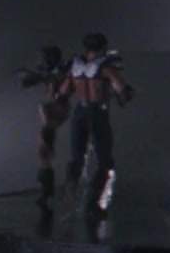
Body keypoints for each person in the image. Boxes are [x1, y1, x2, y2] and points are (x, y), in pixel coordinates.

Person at [53, 33, 135, 225]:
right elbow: (122, 92)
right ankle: (92, 206)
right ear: (103, 47)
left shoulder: (75, 68)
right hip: (98, 113)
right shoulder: (106, 68)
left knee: (76, 158)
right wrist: (125, 95)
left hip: (80, 113)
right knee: (105, 161)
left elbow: (63, 93)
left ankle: (69, 200)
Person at [16, 46, 70, 211]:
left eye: (45, 58)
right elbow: (26, 83)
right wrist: (30, 78)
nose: (42, 61)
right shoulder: (51, 73)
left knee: (45, 148)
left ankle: (47, 191)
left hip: (57, 108)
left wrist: (37, 76)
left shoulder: (60, 72)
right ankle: (47, 190)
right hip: (54, 109)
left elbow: (54, 79)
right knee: (44, 151)